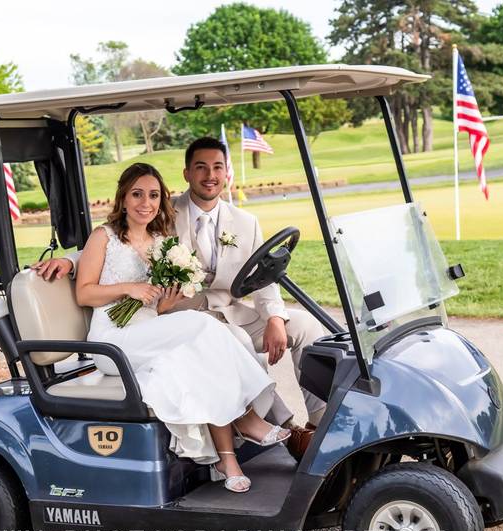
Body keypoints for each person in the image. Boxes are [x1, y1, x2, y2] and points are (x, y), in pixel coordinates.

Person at [35, 137, 329, 445]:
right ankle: (286, 428)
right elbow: (118, 244)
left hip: (231, 310)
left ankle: (322, 423)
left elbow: (264, 274)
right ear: (187, 173)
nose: (210, 175)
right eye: (201, 167)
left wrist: (274, 318)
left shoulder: (245, 222)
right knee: (234, 341)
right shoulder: (163, 212)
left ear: (227, 172)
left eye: (217, 167)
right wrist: (70, 260)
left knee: (306, 325)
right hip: (181, 312)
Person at [69, 162, 290, 493]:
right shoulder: (105, 236)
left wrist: (164, 305)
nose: (146, 203)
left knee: (199, 358)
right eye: (137, 194)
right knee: (202, 326)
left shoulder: (160, 241)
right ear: (123, 198)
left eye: (154, 195)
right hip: (112, 340)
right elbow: (84, 292)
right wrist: (127, 288)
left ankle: (226, 460)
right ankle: (247, 419)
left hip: (148, 331)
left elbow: (153, 307)